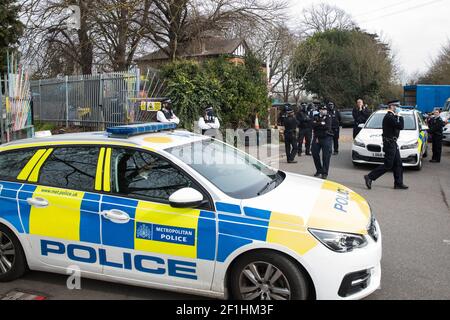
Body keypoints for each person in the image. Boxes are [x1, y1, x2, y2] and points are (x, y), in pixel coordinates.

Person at [364, 100, 409, 190]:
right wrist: (400, 116)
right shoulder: (389, 117)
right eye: (396, 106)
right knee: (388, 165)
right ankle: (370, 177)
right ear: (392, 106)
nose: (398, 108)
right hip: (389, 144)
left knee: (398, 163)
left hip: (393, 143)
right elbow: (401, 126)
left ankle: (398, 183)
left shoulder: (392, 116)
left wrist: (397, 116)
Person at [312, 105, 333, 179]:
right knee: (314, 154)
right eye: (322, 109)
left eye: (325, 109)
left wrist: (318, 124)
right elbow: (312, 125)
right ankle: (319, 170)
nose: (324, 110)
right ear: (319, 110)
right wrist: (321, 123)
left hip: (326, 138)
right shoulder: (315, 116)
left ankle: (324, 172)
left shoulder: (329, 116)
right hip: (317, 138)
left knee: (326, 156)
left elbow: (327, 126)